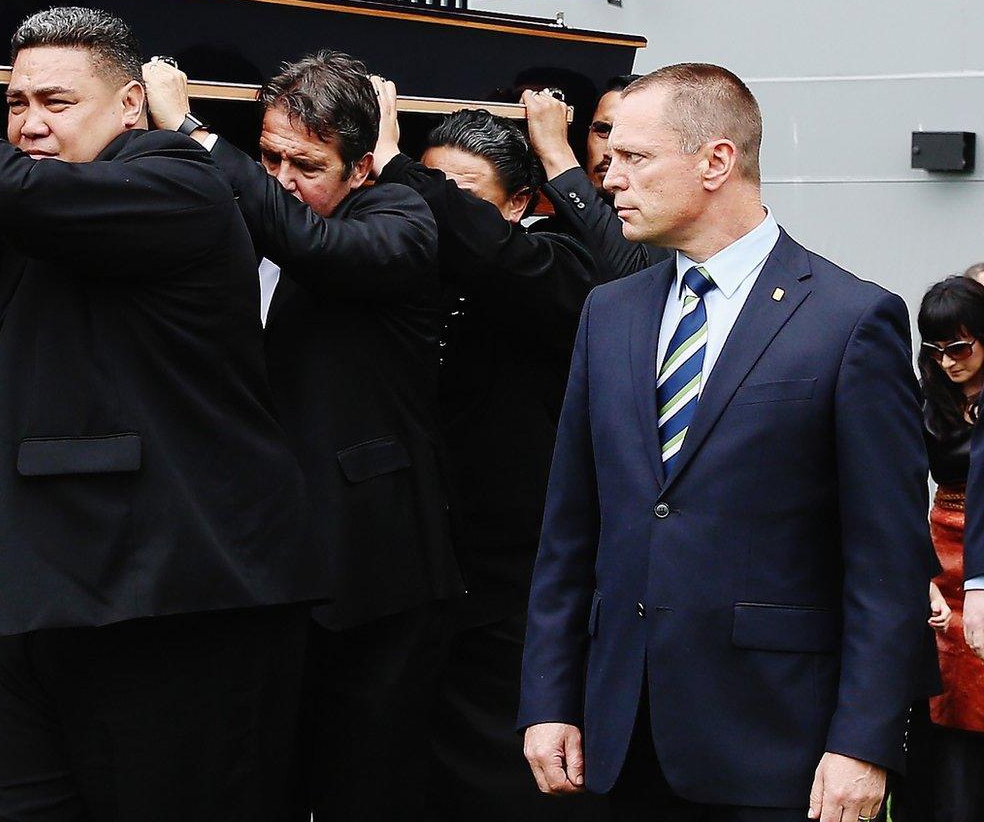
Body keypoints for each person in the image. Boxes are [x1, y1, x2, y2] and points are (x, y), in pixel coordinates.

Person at [0, 8, 317, 819]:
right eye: (16, 103)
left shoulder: (180, 180)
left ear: (132, 106)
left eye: (57, 103)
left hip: (165, 608)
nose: (29, 123)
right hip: (35, 605)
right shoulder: (42, 231)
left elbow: (15, 189)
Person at [519, 64, 938, 821]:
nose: (608, 176)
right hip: (617, 737)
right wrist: (548, 698)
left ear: (717, 161)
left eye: (636, 157)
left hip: (781, 746)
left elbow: (887, 561)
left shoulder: (850, 321)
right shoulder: (608, 314)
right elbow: (569, 532)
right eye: (609, 154)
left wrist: (866, 741)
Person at [145, 50, 456, 822]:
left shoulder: (402, 220)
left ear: (361, 171)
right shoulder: (239, 232)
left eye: (306, 163)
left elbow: (316, 248)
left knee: (367, 790)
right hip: (258, 569)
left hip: (371, 572)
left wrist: (190, 132)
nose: (281, 177)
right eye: (270, 156)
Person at [367, 100, 600, 821]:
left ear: (520, 202)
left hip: (516, 584)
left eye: (460, 195)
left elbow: (500, 261)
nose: (436, 210)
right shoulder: (397, 269)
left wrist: (401, 166)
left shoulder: (557, 264)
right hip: (422, 573)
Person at [903, 276, 984, 822]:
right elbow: (901, 479)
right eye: (935, 350)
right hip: (944, 545)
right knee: (945, 689)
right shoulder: (928, 393)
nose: (948, 362)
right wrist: (921, 570)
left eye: (959, 346)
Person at [523, 85, 671, 283]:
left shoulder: (667, 228)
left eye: (629, 136)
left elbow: (634, 274)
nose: (610, 150)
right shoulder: (546, 231)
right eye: (603, 130)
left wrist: (555, 152)